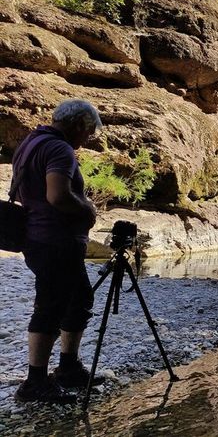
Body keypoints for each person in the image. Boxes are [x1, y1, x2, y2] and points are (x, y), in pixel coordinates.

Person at [11, 99, 103, 404]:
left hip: (40, 239)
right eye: (89, 132)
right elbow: (58, 195)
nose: (87, 139)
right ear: (79, 125)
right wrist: (86, 209)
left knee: (78, 299)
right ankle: (35, 382)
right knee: (50, 307)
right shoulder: (59, 149)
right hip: (54, 241)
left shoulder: (32, 141)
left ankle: (68, 368)